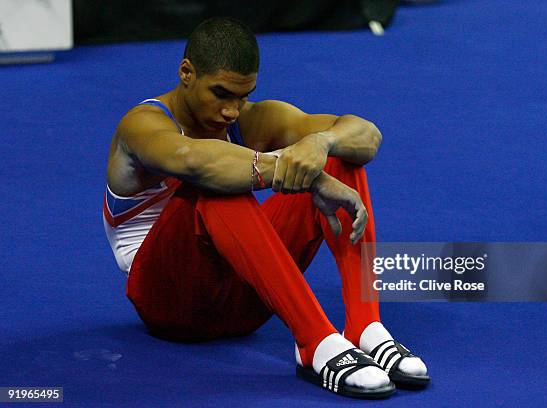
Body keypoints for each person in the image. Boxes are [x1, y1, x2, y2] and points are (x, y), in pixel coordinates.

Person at [103, 17, 429, 399]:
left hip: (244, 304)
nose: (232, 111)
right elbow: (197, 162)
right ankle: (314, 342)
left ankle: (364, 325)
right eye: (221, 93)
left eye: (242, 97)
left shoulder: (252, 118)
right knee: (219, 183)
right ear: (186, 73)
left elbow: (366, 135)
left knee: (341, 158)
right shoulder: (142, 124)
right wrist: (311, 177)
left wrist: (321, 144)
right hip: (169, 304)